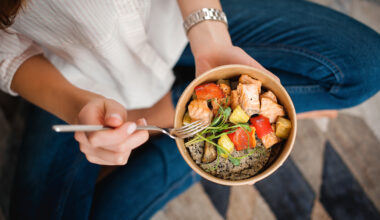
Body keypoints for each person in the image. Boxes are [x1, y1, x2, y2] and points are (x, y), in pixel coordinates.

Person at [1, 0, 379, 219]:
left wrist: (212, 39)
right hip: (78, 77)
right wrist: (76, 105)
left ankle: (183, 131)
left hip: (184, 23)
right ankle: (190, 138)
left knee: (366, 65)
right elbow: (7, 54)